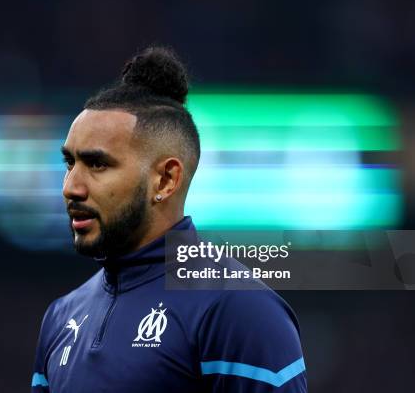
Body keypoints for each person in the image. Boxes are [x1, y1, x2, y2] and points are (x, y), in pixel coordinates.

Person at [31, 46, 307, 392]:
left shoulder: (239, 310)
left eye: (98, 164)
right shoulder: (60, 318)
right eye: (70, 163)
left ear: (165, 180)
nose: (71, 187)